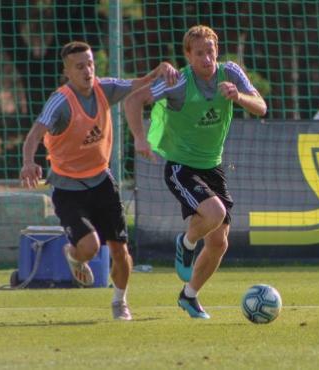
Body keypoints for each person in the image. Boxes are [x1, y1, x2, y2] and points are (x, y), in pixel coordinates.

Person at [20, 41, 178, 321]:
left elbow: (138, 83)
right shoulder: (60, 101)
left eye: (90, 63)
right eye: (79, 66)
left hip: (102, 181)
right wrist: (29, 162)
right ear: (67, 72)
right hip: (68, 188)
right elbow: (34, 135)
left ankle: (120, 302)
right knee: (90, 247)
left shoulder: (105, 88)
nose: (87, 70)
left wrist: (160, 70)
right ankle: (74, 254)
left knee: (120, 250)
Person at [124, 25, 267, 319]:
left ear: (217, 49)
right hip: (181, 168)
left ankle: (189, 296)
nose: (207, 58)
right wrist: (140, 137)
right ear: (188, 56)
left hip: (212, 167)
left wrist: (238, 96)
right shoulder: (178, 83)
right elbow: (133, 100)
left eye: (210, 51)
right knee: (213, 215)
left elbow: (261, 107)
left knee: (219, 242)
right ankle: (186, 242)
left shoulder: (231, 74)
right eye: (199, 53)